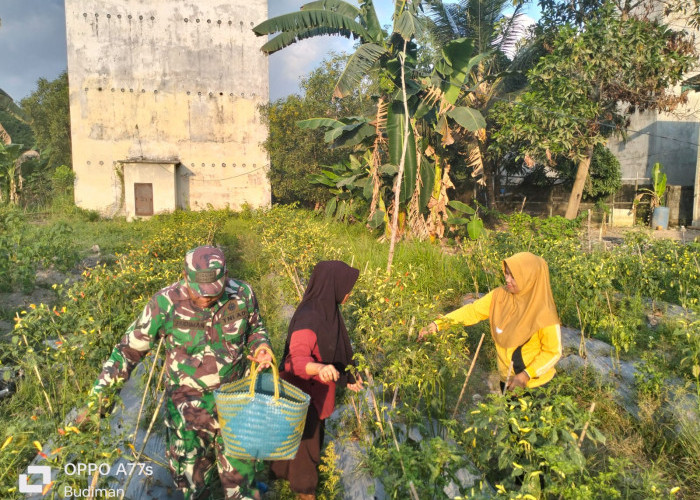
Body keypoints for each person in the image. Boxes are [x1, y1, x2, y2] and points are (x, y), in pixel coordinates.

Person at [84, 245, 273, 500]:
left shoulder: (242, 294)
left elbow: (255, 328)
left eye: (212, 293)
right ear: (185, 276)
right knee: (193, 489)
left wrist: (261, 346)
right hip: (188, 415)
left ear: (226, 276)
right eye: (199, 292)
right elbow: (127, 352)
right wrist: (98, 400)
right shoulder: (165, 302)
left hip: (236, 405)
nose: (206, 299)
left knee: (245, 487)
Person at [270, 261, 364, 500]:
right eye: (347, 287)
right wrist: (319, 368)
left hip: (313, 395)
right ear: (333, 285)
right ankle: (304, 491)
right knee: (306, 458)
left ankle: (277, 476)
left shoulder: (326, 311)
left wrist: (346, 378)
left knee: (298, 449)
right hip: (301, 402)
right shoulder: (309, 318)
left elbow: (333, 350)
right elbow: (295, 361)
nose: (349, 293)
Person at [419, 252, 562, 392]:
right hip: (507, 379)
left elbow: (553, 352)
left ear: (529, 278)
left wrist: (526, 374)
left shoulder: (544, 312)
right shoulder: (500, 296)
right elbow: (473, 311)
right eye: (506, 273)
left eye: (514, 276)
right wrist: (438, 324)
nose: (507, 279)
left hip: (536, 386)